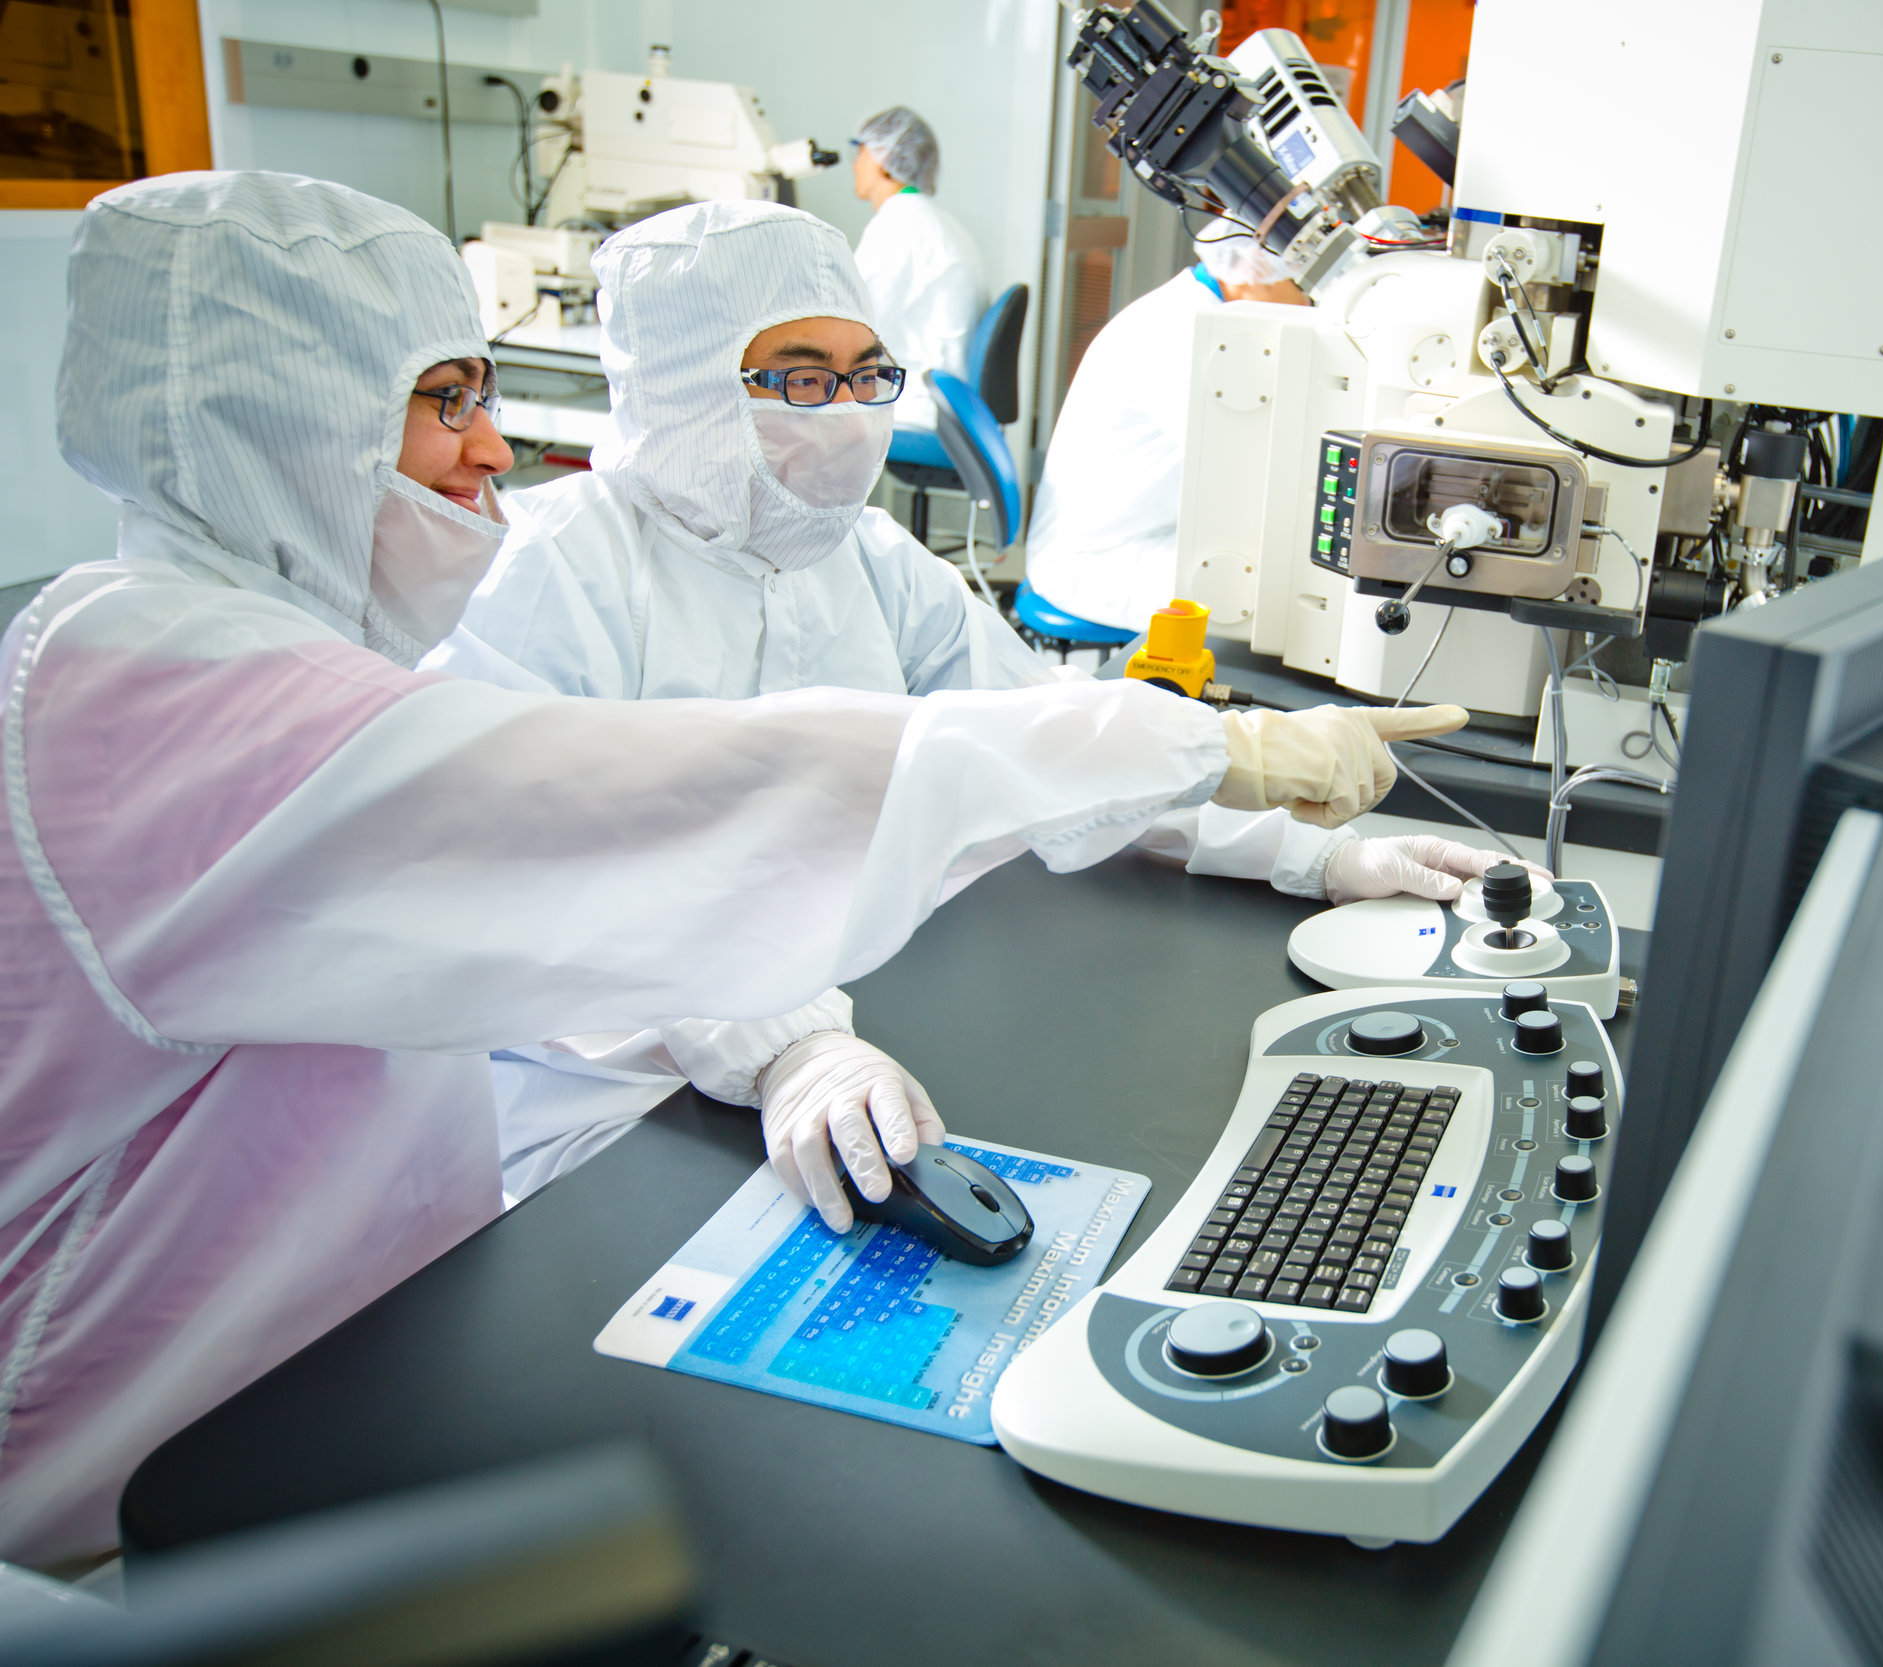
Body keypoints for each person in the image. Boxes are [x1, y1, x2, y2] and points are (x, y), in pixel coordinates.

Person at [0, 170, 1453, 1568]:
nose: (496, 450)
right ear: (282, 422)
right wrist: (803, 1037)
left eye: (865, 373)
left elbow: (969, 724)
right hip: (126, 1505)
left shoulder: (276, 650)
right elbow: (628, 839)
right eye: (444, 402)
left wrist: (1306, 842)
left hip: (370, 1356)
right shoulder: (142, 684)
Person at [433, 199, 1514, 1207]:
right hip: (609, 1093)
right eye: (803, 381)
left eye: (869, 376)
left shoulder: (859, 551)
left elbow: (1030, 729)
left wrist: (1297, 848)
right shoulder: (550, 571)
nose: (852, 417)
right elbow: (578, 876)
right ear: (685, 390)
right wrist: (781, 1044)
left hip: (856, 1011)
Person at [1021, 224, 1310, 633]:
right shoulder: (1180, 332)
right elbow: (1243, 469)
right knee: (1283, 599)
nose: (1309, 300)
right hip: (1098, 561)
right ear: (1253, 271)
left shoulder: (1199, 313)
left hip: (1151, 535)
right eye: (1302, 283)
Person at [848, 106, 983, 434]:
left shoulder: (900, 226)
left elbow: (853, 320)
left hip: (918, 403)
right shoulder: (931, 221)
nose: (854, 164)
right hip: (944, 398)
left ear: (884, 159)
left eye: (861, 152)